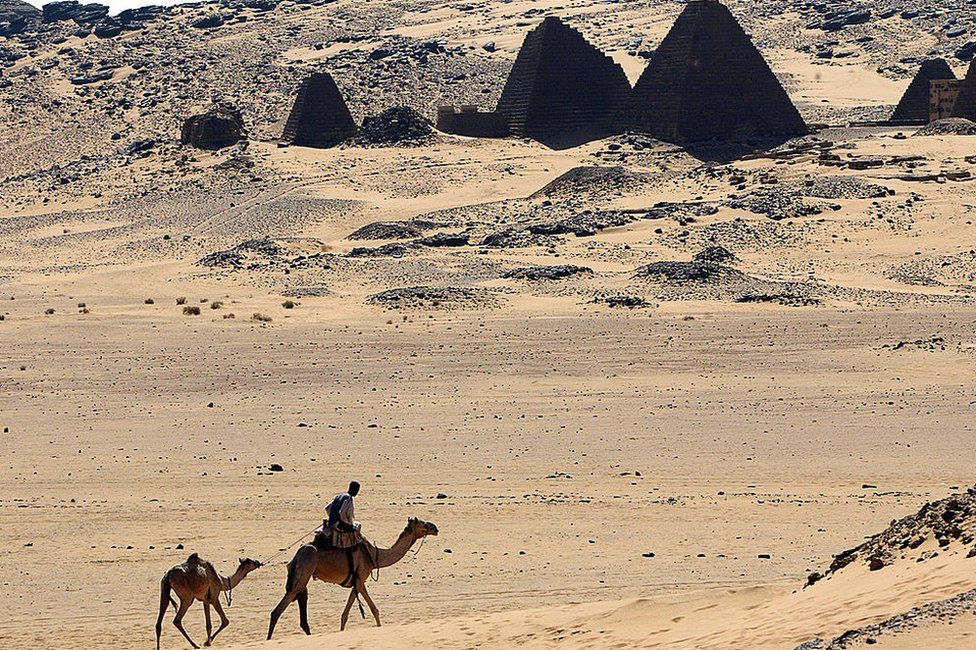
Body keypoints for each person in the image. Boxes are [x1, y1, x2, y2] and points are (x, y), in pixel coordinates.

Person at [321, 481, 363, 548]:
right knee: (357, 527)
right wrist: (347, 524)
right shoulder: (348, 498)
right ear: (354, 489)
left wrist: (332, 517)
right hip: (338, 524)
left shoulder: (340, 496)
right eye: (357, 490)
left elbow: (328, 508)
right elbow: (342, 513)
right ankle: (351, 548)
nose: (357, 492)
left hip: (332, 522)